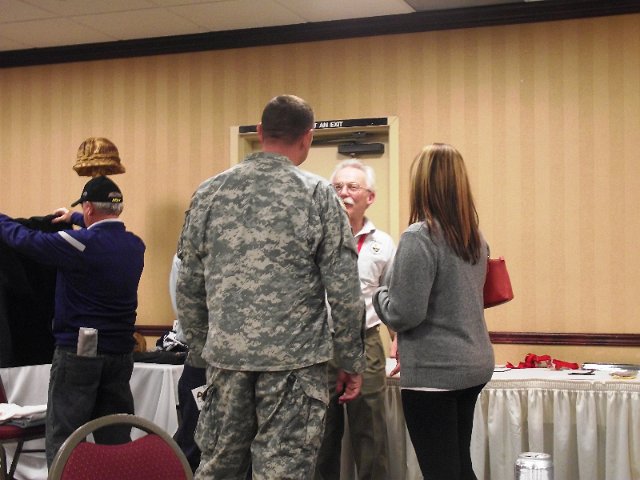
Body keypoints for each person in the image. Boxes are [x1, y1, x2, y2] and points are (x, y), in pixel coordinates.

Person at [176, 94, 366, 480]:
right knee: (283, 471)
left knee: (219, 468)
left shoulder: (210, 192)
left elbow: (188, 283)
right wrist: (349, 360)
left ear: (260, 132)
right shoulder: (317, 195)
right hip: (293, 367)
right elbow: (344, 290)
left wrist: (202, 350)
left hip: (226, 362)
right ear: (307, 138)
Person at [0, 175, 145, 466]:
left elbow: (26, 240)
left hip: (80, 354)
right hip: (120, 354)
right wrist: (74, 217)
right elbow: (101, 233)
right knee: (114, 435)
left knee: (65, 438)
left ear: (89, 207)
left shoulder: (79, 245)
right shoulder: (135, 245)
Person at [373, 143, 494, 480]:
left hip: (435, 373)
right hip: (474, 364)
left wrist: (378, 295)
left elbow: (404, 314)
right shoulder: (474, 238)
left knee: (441, 471)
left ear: (423, 184)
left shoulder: (419, 237)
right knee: (458, 466)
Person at [315, 160, 395, 480]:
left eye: (352, 187)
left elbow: (393, 298)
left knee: (371, 432)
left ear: (370, 197)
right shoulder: (314, 239)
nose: (344, 194)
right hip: (320, 345)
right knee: (322, 434)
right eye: (337, 187)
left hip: (367, 344)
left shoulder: (383, 244)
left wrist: (398, 339)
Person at [169, 253, 207, 472]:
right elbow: (185, 316)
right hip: (202, 363)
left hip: (219, 362)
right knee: (195, 441)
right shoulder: (184, 257)